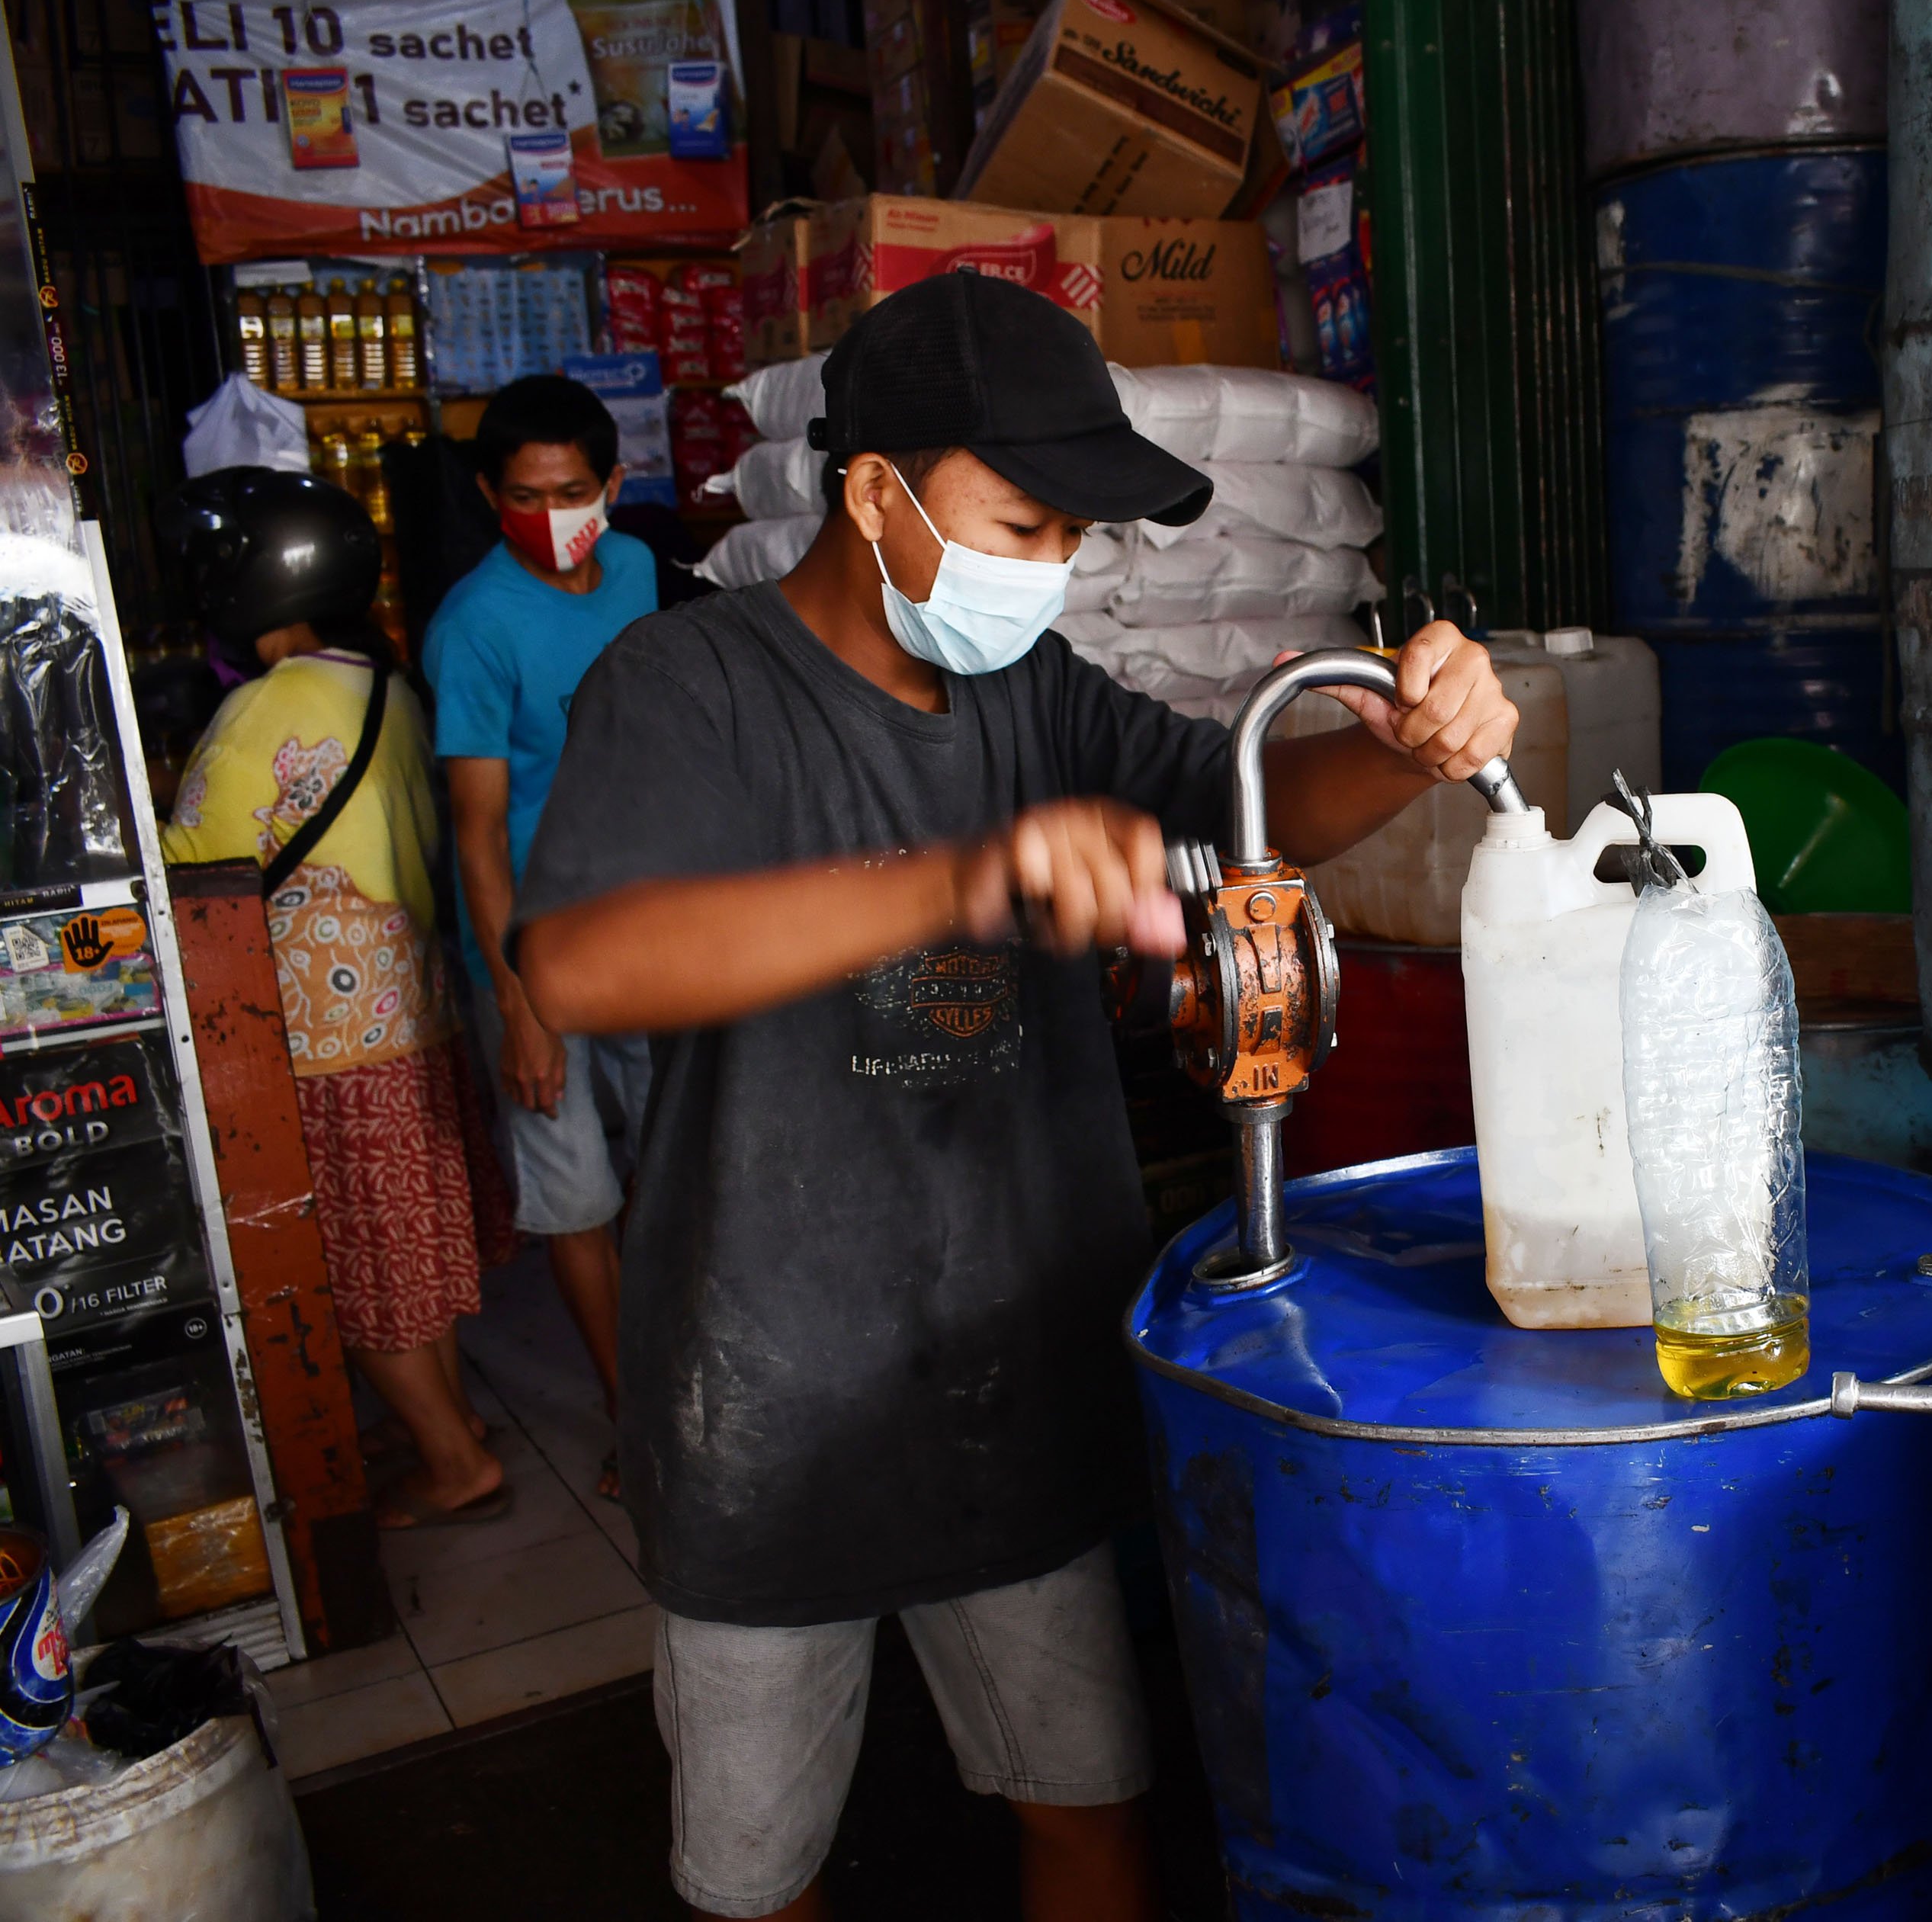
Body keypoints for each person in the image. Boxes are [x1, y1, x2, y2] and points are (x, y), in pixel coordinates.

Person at [511, 273, 1519, 1922]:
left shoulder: (1035, 700)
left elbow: (1252, 803)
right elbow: (583, 965)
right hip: (766, 1414)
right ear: (869, 489)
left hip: (1014, 1397)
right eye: (1022, 519)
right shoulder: (684, 687)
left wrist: (1406, 746)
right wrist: (957, 878)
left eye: (1070, 538)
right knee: (761, 1873)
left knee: (1087, 1807)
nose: (1046, 569)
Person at [160, 469, 515, 1529]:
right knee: (408, 1253)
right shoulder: (390, 685)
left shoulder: (261, 709)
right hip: (417, 1014)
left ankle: (453, 1458)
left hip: (323, 1041)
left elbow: (193, 866)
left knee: (355, 1266)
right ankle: (452, 1424)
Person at [417, 374, 656, 1500]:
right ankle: (637, 1428)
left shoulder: (643, 573)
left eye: (570, 489)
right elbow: (475, 834)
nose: (550, 512)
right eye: (522, 493)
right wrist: (517, 1004)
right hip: (535, 957)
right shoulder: (471, 627)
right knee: (580, 1202)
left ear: (613, 485)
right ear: (485, 494)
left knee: (685, 1169)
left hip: (648, 936)